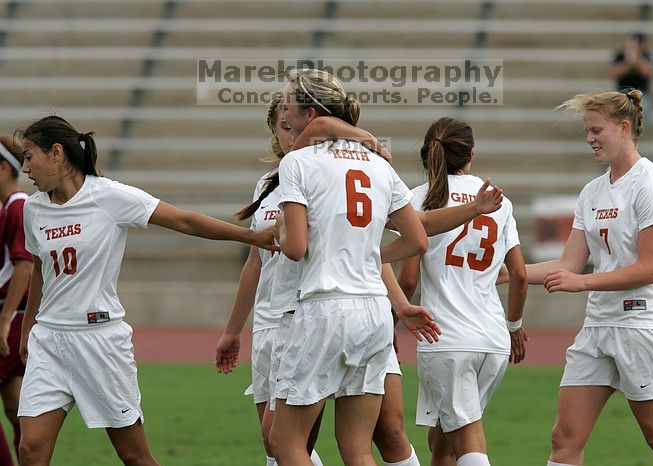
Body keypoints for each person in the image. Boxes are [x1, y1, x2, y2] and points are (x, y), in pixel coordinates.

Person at [15, 115, 277, 466]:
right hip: (50, 340)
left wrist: (250, 236)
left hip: (99, 342)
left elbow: (183, 220)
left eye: (29, 156)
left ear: (57, 153)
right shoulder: (33, 209)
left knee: (135, 456)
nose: (25, 167)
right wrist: (29, 328)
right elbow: (39, 269)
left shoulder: (109, 197)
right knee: (30, 449)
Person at [267, 68, 434, 466]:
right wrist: (371, 255)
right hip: (375, 311)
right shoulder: (378, 163)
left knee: (286, 444)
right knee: (357, 448)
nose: (283, 112)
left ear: (309, 114)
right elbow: (417, 241)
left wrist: (279, 231)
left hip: (324, 308)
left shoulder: (297, 163)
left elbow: (295, 249)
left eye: (289, 103)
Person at [527, 90, 653, 466]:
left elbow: (648, 269)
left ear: (624, 128)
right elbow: (569, 264)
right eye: (587, 131)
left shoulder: (651, 184)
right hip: (597, 327)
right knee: (564, 438)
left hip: (641, 327)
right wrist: (507, 273)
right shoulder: (592, 191)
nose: (589, 138)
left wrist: (583, 283)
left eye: (595, 129)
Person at [397, 117, 527, 466]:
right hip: (493, 337)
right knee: (442, 441)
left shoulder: (417, 198)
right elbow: (518, 273)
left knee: (468, 438)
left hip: (447, 339)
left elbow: (408, 279)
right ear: (471, 154)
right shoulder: (499, 199)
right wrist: (514, 327)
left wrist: (393, 319)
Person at [0, 136, 32, 466]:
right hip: (11, 315)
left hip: (11, 316)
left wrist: (6, 318)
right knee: (13, 402)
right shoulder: (8, 207)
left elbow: (24, 264)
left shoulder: (19, 206)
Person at [610, 33, 653, 124]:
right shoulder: (620, 56)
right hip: (622, 93)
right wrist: (627, 63)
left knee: (643, 110)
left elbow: (648, 73)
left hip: (641, 95)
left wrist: (637, 61)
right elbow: (614, 74)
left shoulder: (647, 55)